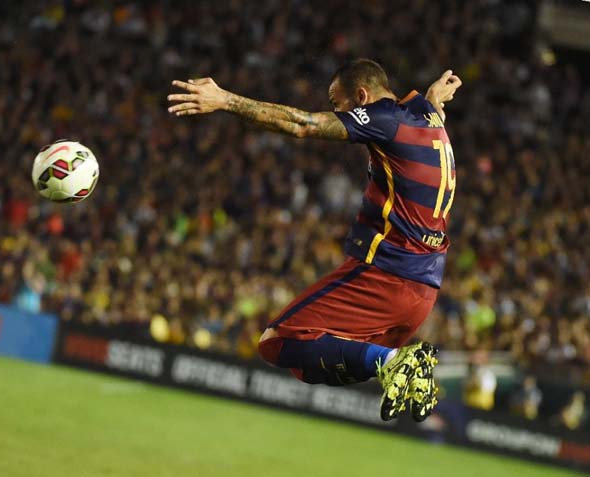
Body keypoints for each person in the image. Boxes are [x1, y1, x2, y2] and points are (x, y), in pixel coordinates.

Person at [167, 58, 461, 421]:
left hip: (386, 276)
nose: (336, 112)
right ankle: (392, 363)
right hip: (423, 291)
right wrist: (433, 98)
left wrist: (225, 100)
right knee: (309, 365)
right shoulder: (423, 115)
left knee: (278, 341)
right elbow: (426, 112)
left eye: (338, 104)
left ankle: (395, 360)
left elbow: (303, 125)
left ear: (362, 96)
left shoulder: (385, 120)